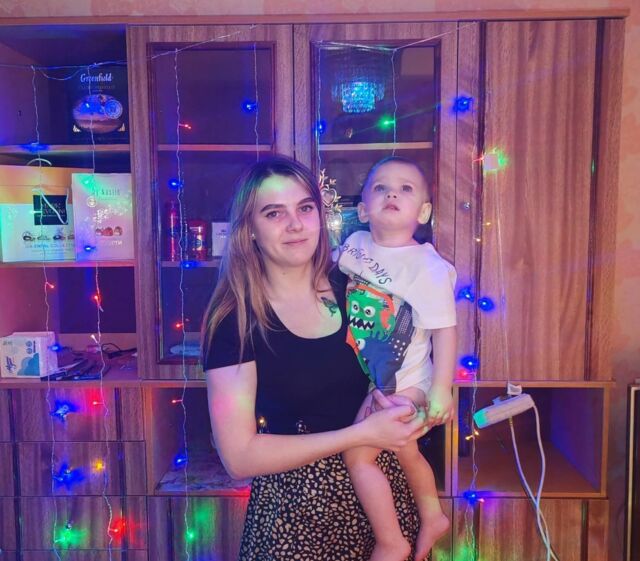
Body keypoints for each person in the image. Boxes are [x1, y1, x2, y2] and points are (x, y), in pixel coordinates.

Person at [202, 155, 430, 561]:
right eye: (274, 213)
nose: (295, 224)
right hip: (294, 515)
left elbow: (412, 357)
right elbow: (238, 457)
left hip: (384, 503)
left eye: (305, 208)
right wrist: (359, 435)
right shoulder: (234, 320)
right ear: (249, 229)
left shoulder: (356, 286)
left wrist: (420, 405)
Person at [338, 156, 457, 561]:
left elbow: (444, 330)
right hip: (377, 377)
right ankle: (433, 515)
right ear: (362, 210)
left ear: (423, 212)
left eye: (406, 189)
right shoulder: (355, 246)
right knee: (407, 451)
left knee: (357, 455)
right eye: (381, 187)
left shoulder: (428, 267)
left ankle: (391, 541)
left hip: (409, 381)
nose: (392, 193)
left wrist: (441, 390)